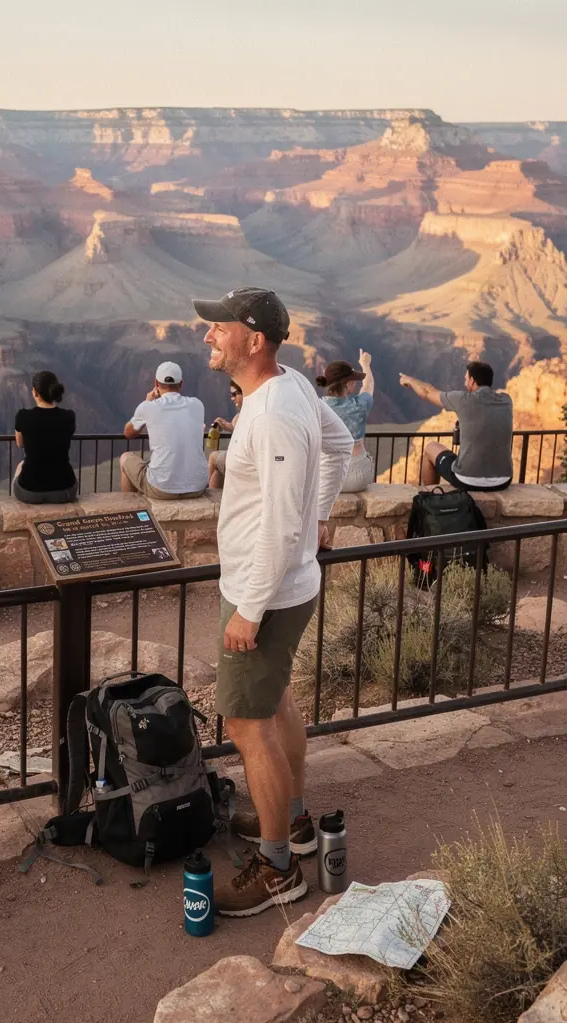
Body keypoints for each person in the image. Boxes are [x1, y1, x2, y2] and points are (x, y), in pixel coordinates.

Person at [193, 287, 350, 917]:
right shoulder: (291, 389)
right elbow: (341, 448)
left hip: (270, 594)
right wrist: (320, 514)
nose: (208, 336)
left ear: (253, 340)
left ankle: (277, 865)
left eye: (218, 328)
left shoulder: (273, 412)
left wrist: (249, 609)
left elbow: (282, 528)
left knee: (246, 724)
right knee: (276, 700)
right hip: (287, 585)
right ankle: (296, 821)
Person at [399, 361, 513, 491]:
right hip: (503, 480)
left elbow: (427, 392)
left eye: (466, 379)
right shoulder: (506, 400)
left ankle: (431, 497)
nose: (464, 383)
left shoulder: (463, 399)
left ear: (472, 380)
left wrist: (410, 380)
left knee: (430, 448)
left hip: (468, 479)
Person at [120, 361, 207, 499]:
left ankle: (131, 510)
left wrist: (147, 402)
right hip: (198, 486)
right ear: (181, 384)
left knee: (125, 458)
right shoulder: (197, 404)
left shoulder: (148, 407)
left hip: (162, 488)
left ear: (156, 383)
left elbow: (128, 433)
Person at [13, 370, 78, 504]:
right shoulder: (69, 417)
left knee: (21, 465)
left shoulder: (23, 416)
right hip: (65, 491)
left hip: (29, 492)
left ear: (35, 392)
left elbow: (20, 444)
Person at [316, 351, 375, 493]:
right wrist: (365, 364)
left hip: (327, 478)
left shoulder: (316, 408)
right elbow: (368, 386)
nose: (355, 383)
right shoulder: (360, 405)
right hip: (359, 478)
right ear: (348, 384)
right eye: (353, 381)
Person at [208, 381, 243, 489]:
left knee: (213, 457)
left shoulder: (242, 414)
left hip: (241, 462)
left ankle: (208, 494)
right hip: (248, 461)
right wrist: (228, 426)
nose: (232, 399)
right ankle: (215, 496)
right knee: (218, 471)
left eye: (234, 394)